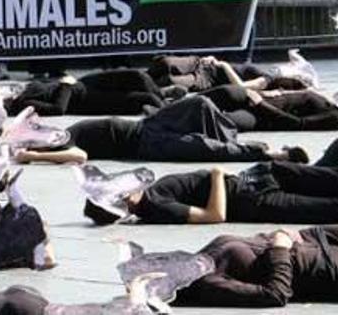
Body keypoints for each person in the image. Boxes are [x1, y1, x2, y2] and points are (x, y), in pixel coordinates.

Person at [20, 95, 306, 164]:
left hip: (148, 126)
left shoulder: (67, 131)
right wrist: (32, 156)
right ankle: (266, 155)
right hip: (147, 146)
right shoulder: (65, 145)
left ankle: (236, 142)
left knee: (201, 103)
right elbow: (80, 158)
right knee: (202, 146)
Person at [84, 161, 338, 225]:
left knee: (327, 178)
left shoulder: (150, 192)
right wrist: (216, 175)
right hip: (253, 200)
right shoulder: (156, 206)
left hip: (256, 176)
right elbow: (214, 215)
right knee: (326, 208)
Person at [175, 226, 338, 307]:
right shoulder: (206, 278)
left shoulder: (206, 269)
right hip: (319, 262)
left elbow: (276, 294)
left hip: (312, 248)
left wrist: (283, 243)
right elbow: (275, 294)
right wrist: (282, 244)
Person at [3, 69, 177, 116]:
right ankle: (169, 112)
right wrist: (66, 86)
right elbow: (58, 109)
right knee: (145, 98)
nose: (10, 90)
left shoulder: (27, 89)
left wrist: (64, 80)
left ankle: (163, 96)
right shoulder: (24, 103)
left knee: (137, 76)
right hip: (86, 100)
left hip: (83, 83)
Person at [196, 84, 338, 131]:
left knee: (223, 121)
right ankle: (177, 103)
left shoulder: (334, 116)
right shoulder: (328, 100)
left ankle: (178, 121)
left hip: (262, 117)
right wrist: (270, 93)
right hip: (260, 97)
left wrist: (260, 105)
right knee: (226, 91)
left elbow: (297, 124)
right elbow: (296, 95)